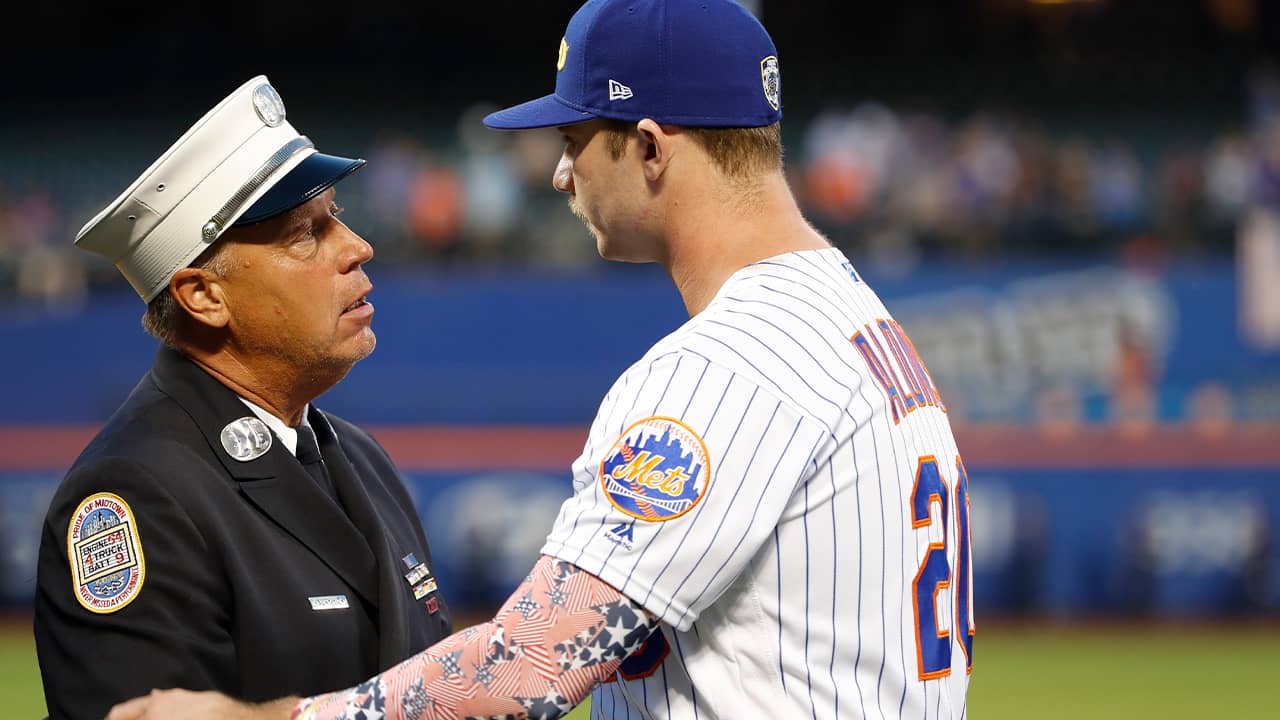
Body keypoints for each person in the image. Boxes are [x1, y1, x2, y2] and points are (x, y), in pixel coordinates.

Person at [107, 2, 974, 718]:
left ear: (650, 147)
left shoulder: (728, 363)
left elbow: (525, 671)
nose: (562, 177)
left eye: (574, 141)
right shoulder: (863, 325)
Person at [36, 75, 453, 720]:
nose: (358, 247)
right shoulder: (136, 493)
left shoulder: (361, 456)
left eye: (336, 215)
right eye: (304, 233)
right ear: (203, 296)